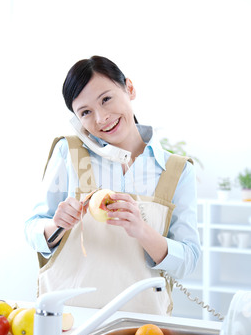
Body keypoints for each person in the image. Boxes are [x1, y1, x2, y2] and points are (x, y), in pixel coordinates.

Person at [24, 55, 201, 315]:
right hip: (67, 321)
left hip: (143, 327)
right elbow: (32, 228)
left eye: (106, 99)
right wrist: (56, 225)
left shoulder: (177, 170)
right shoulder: (68, 152)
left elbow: (189, 261)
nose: (101, 118)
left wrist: (142, 230)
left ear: (129, 88)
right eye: (85, 112)